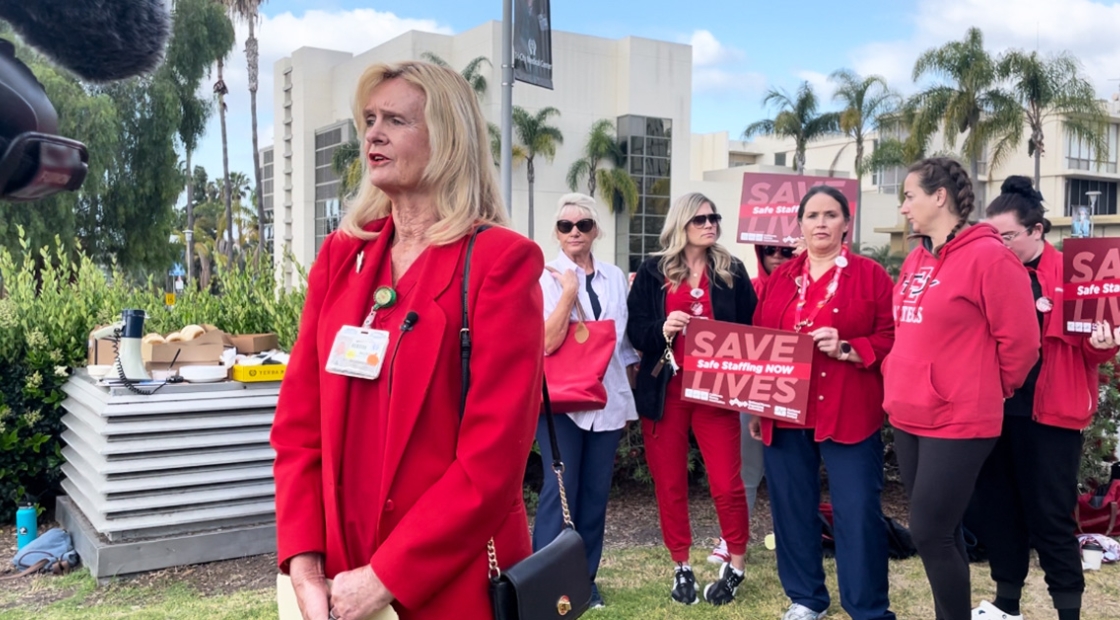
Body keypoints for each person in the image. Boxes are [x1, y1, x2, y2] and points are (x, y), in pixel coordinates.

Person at [270, 60, 546, 620]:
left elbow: (491, 467)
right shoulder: (341, 258)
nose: (373, 133)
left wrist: (383, 580)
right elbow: (299, 427)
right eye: (369, 119)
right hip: (335, 585)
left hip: (452, 585)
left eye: (395, 120)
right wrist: (302, 563)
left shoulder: (500, 263)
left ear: (447, 140)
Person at [883, 157, 1040, 620]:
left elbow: (1022, 342)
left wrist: (990, 388)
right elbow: (905, 330)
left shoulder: (990, 257)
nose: (904, 206)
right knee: (943, 531)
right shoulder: (915, 258)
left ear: (939, 197)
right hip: (909, 411)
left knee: (928, 531)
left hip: (960, 417)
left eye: (910, 195)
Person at [971, 177, 1118, 620]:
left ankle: (1068, 610)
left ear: (1037, 231)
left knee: (1052, 518)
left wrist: (1103, 341)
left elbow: (1096, 351)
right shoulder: (990, 272)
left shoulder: (1074, 273)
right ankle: (1006, 602)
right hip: (997, 411)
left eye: (1008, 236)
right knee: (1000, 512)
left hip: (1053, 416)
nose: (999, 245)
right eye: (992, 236)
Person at [749, 186, 896, 620]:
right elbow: (760, 344)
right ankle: (805, 598)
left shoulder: (872, 276)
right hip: (786, 410)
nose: (820, 223)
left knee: (858, 512)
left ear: (846, 223)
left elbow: (893, 338)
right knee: (792, 509)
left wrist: (849, 347)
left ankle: (867, 608)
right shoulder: (780, 279)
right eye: (812, 215)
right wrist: (759, 407)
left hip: (849, 409)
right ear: (800, 223)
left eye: (830, 215)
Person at [627, 192, 758, 606]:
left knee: (727, 484)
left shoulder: (731, 269)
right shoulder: (653, 271)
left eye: (714, 217)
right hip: (667, 391)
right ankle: (680, 564)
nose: (709, 224)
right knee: (670, 483)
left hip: (717, 391)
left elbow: (753, 329)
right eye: (700, 218)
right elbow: (637, 332)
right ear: (681, 223)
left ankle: (735, 564)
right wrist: (664, 328)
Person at [534, 193, 639, 610]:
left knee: (594, 497)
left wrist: (629, 402)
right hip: (560, 401)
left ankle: (584, 581)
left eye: (582, 225)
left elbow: (624, 344)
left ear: (597, 230)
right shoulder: (545, 276)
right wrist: (568, 291)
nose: (574, 232)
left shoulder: (615, 276)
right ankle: (543, 582)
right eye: (565, 226)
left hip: (608, 399)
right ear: (557, 233)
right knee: (558, 492)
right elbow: (546, 342)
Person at [709, 242, 795, 566]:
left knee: (792, 472)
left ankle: (793, 540)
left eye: (786, 251)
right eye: (769, 249)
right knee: (745, 469)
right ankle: (730, 539)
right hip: (752, 387)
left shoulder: (811, 288)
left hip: (794, 389)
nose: (777, 256)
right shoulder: (748, 286)